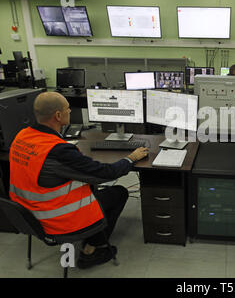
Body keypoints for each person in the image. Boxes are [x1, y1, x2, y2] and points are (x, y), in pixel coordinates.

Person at [8, 92, 148, 269]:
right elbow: (106, 173)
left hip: (28, 215)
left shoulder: (22, 136)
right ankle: (91, 250)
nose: (70, 111)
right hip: (56, 219)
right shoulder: (59, 152)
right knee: (119, 192)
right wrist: (131, 158)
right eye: (68, 108)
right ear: (58, 116)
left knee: (92, 188)